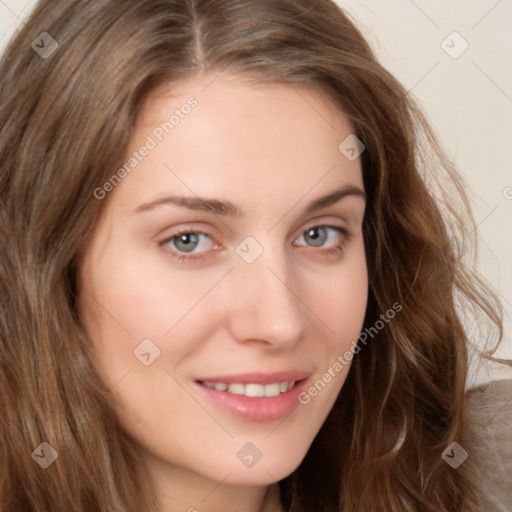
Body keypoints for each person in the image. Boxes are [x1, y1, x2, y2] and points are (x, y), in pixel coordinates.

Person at [0, 1, 510, 511]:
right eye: (189, 240)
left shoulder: (487, 473)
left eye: (319, 234)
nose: (281, 322)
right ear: (47, 263)